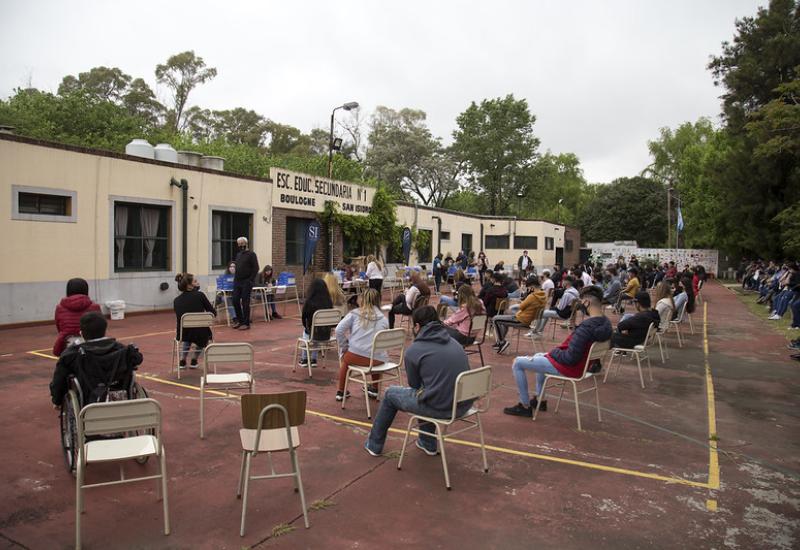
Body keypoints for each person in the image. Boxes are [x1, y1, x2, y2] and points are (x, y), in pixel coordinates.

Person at [364, 306, 474, 456]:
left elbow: (414, 386)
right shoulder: (455, 343)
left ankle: (374, 444)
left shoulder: (414, 350)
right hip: (464, 404)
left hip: (442, 408)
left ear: (417, 326)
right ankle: (427, 442)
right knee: (431, 390)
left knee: (391, 394)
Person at [503, 286, 612, 417]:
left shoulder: (586, 328)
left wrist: (553, 353)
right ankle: (540, 400)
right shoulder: (605, 324)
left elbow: (570, 358)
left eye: (581, 301)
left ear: (587, 302)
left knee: (517, 363)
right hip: (583, 366)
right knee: (539, 355)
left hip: (570, 367)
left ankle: (524, 406)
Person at [50, 312, 143, 407]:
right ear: (105, 330)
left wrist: (57, 400)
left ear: (81, 333)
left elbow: (59, 380)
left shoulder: (72, 354)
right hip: (121, 397)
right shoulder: (121, 349)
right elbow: (137, 359)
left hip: (88, 402)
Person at [334, 288, 389, 401]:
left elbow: (338, 330)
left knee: (345, 360)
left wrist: (345, 346)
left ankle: (341, 391)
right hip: (378, 360)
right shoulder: (384, 319)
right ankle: (374, 388)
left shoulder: (354, 314)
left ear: (362, 300)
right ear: (378, 300)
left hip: (356, 356)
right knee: (375, 351)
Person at [493, 277, 547, 354]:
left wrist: (524, 301)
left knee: (495, 319)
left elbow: (521, 307)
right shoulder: (543, 296)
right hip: (529, 320)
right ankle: (500, 343)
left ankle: (502, 342)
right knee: (504, 321)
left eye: (528, 287)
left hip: (521, 320)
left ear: (532, 286)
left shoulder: (532, 296)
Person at [173, 273, 216, 368]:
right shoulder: (200, 295)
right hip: (200, 332)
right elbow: (212, 313)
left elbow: (178, 317)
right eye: (195, 281)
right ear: (189, 285)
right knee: (203, 334)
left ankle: (182, 360)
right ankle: (194, 359)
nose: (198, 282)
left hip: (183, 333)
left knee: (189, 332)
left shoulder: (176, 300)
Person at [53, 278, 101, 357]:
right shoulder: (95, 307)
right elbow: (99, 326)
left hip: (66, 344)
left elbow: (59, 327)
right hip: (92, 345)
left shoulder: (60, 308)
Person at [299, 278, 334, 368]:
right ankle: (314, 359)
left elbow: (304, 318)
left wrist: (306, 326)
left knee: (308, 331)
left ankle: (304, 359)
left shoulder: (309, 302)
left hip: (312, 332)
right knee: (316, 330)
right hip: (326, 333)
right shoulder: (329, 302)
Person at [231, 236, 259, 330]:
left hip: (246, 281)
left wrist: (250, 280)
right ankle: (240, 320)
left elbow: (256, 268)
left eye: (241, 244)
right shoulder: (238, 255)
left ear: (246, 244)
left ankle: (246, 323)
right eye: (239, 244)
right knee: (235, 300)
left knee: (245, 302)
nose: (240, 245)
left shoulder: (251, 254)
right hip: (237, 281)